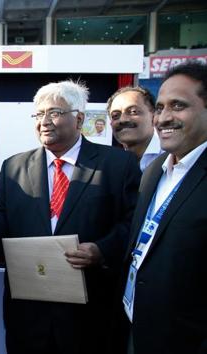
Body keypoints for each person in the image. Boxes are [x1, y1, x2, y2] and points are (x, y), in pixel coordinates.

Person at [0, 80, 141, 354]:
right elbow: (1, 219)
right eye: (38, 114)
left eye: (55, 113)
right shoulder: (13, 167)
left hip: (90, 313)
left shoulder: (118, 165)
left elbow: (132, 224)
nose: (44, 121)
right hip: (28, 314)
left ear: (79, 118)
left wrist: (101, 250)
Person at [120, 61, 207, 354]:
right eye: (160, 107)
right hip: (138, 326)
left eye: (178, 106)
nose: (163, 118)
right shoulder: (154, 169)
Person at [107, 86, 163, 171]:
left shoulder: (172, 156)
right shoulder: (111, 162)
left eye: (133, 112)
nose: (122, 120)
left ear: (154, 116)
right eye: (115, 116)